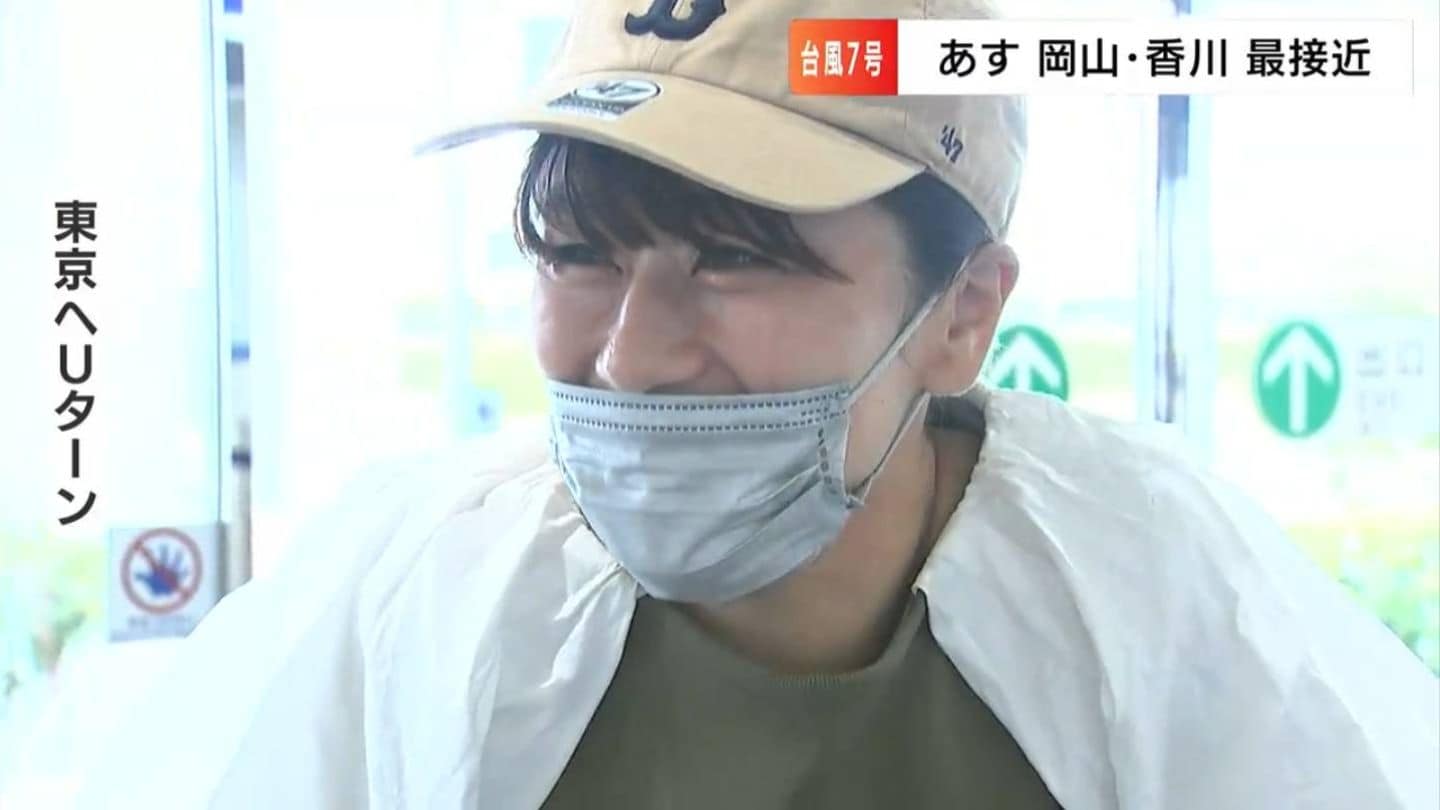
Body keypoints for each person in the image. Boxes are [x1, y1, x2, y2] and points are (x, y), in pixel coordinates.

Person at [80, 0, 1437, 808]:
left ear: (961, 313)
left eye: (736, 259)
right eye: (579, 254)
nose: (631, 356)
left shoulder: (1163, 597)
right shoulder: (411, 595)